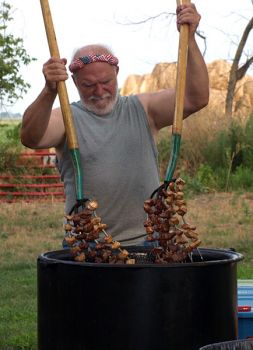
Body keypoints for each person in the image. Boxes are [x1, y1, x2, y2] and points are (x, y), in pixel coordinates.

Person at [20, 3, 209, 246]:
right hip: (88, 245)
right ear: (74, 82)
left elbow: (196, 97)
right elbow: (31, 137)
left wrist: (190, 39)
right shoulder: (66, 118)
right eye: (88, 85)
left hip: (150, 242)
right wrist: (49, 90)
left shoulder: (144, 110)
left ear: (117, 72)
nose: (99, 91)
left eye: (106, 81)